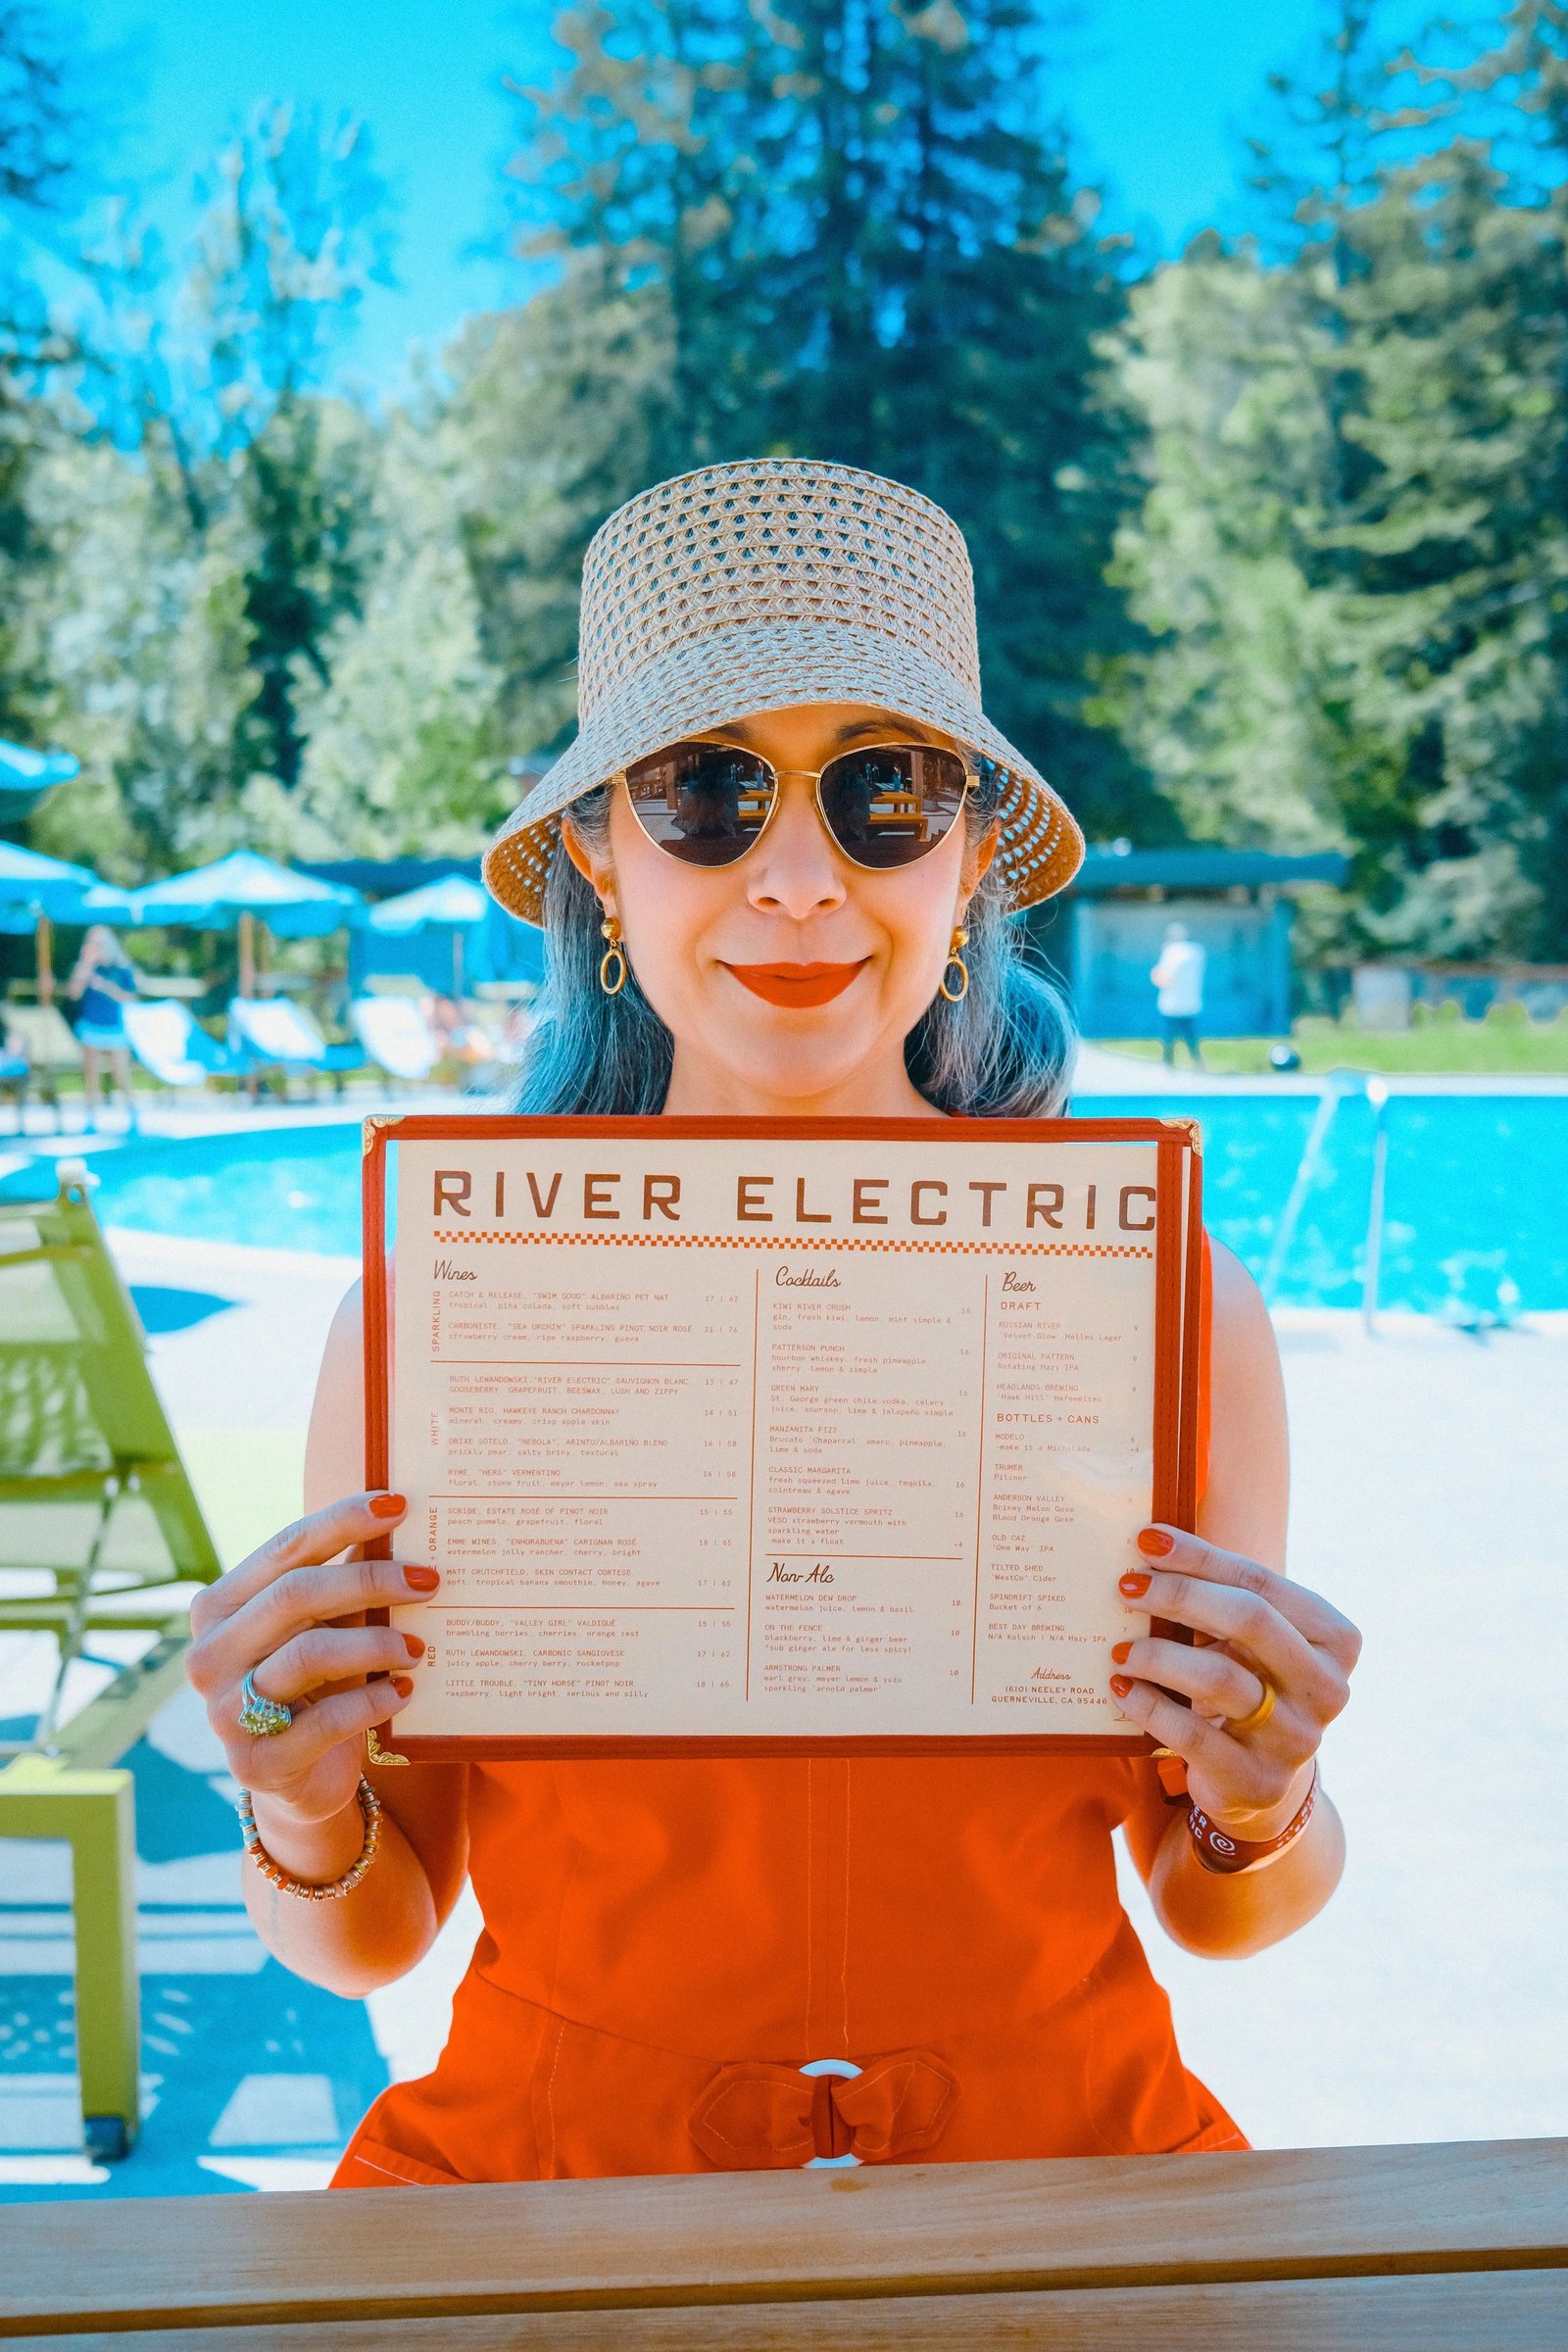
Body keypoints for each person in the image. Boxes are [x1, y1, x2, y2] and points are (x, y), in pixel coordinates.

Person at [185, 460, 1360, 2186]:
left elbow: (1218, 1912)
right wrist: (288, 1788)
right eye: (706, 795)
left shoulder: (1163, 1296)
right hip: (550, 2191)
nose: (802, 880)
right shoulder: (438, 1313)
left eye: (884, 792)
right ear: (598, 853)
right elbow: (375, 1931)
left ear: (966, 859)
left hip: (1062, 2183)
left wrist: (1266, 1798)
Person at [65, 923, 141, 1132]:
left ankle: (133, 1113)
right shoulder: (86, 968)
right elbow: (73, 994)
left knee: (121, 1074)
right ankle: (91, 1118)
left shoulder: (122, 969)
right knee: (90, 1074)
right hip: (91, 1027)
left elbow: (131, 999)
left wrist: (105, 987)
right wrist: (86, 965)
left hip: (115, 1028)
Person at [1151, 919, 1206, 1068]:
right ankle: (1198, 1064)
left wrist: (1154, 973)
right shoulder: (1197, 952)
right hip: (1191, 1004)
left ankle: (1168, 1066)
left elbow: (1164, 979)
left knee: (1168, 1039)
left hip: (1172, 1005)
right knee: (1192, 1038)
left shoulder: (1170, 952)